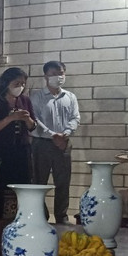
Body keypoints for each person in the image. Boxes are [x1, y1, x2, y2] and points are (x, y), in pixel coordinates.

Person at [30, 60, 80, 224]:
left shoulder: (70, 97)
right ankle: (40, 215)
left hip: (64, 143)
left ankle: (61, 216)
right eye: (53, 74)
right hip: (42, 144)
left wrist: (65, 134)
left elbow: (75, 118)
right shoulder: (36, 97)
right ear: (45, 76)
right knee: (39, 182)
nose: (57, 77)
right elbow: (35, 119)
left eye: (60, 73)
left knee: (63, 181)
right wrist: (53, 135)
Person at [0, 67, 37, 219]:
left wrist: (26, 119)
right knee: (0, 185)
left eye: (22, 84)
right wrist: (11, 118)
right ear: (6, 83)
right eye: (16, 83)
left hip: (22, 149)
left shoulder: (25, 100)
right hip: (1, 149)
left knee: (23, 183)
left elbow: (32, 126)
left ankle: (23, 218)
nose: (20, 87)